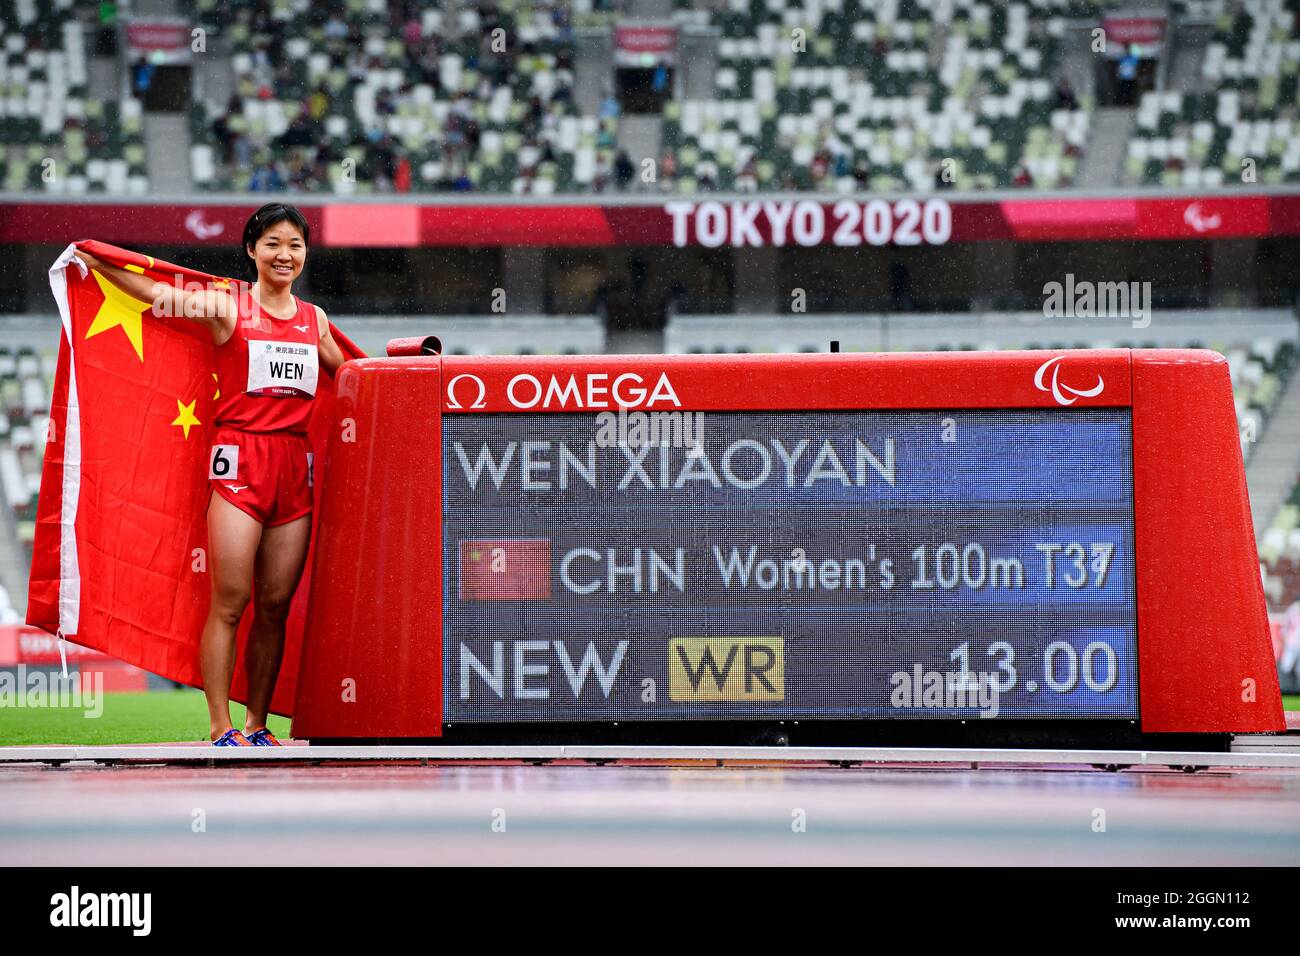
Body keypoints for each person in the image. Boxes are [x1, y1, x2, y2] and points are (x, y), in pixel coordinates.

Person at [70, 204, 350, 746]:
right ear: (251, 251)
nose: (283, 254)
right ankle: (221, 726)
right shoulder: (228, 308)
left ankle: (258, 723)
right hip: (240, 462)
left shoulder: (313, 319)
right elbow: (159, 296)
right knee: (231, 601)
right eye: (272, 243)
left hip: (294, 467)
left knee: (274, 606)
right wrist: (101, 261)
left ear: (305, 254)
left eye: (294, 244)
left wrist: (417, 368)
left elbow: (352, 375)